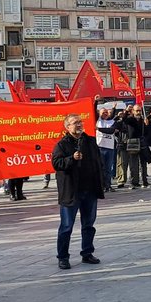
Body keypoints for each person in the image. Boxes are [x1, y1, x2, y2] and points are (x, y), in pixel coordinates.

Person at [50, 113, 103, 269]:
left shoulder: (90, 141)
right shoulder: (62, 145)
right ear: (67, 127)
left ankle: (87, 253)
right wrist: (71, 159)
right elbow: (56, 163)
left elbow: (99, 162)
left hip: (90, 190)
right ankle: (63, 257)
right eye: (75, 123)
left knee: (89, 224)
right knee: (66, 226)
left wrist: (102, 180)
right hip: (71, 192)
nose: (79, 125)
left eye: (80, 122)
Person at [95, 106, 118, 192]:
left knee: (108, 168)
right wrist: (95, 102)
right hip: (100, 147)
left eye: (106, 112)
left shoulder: (112, 122)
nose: (105, 114)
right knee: (101, 168)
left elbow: (111, 131)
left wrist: (99, 129)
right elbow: (93, 110)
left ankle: (108, 185)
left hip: (110, 148)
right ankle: (102, 186)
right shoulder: (97, 121)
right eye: (102, 112)